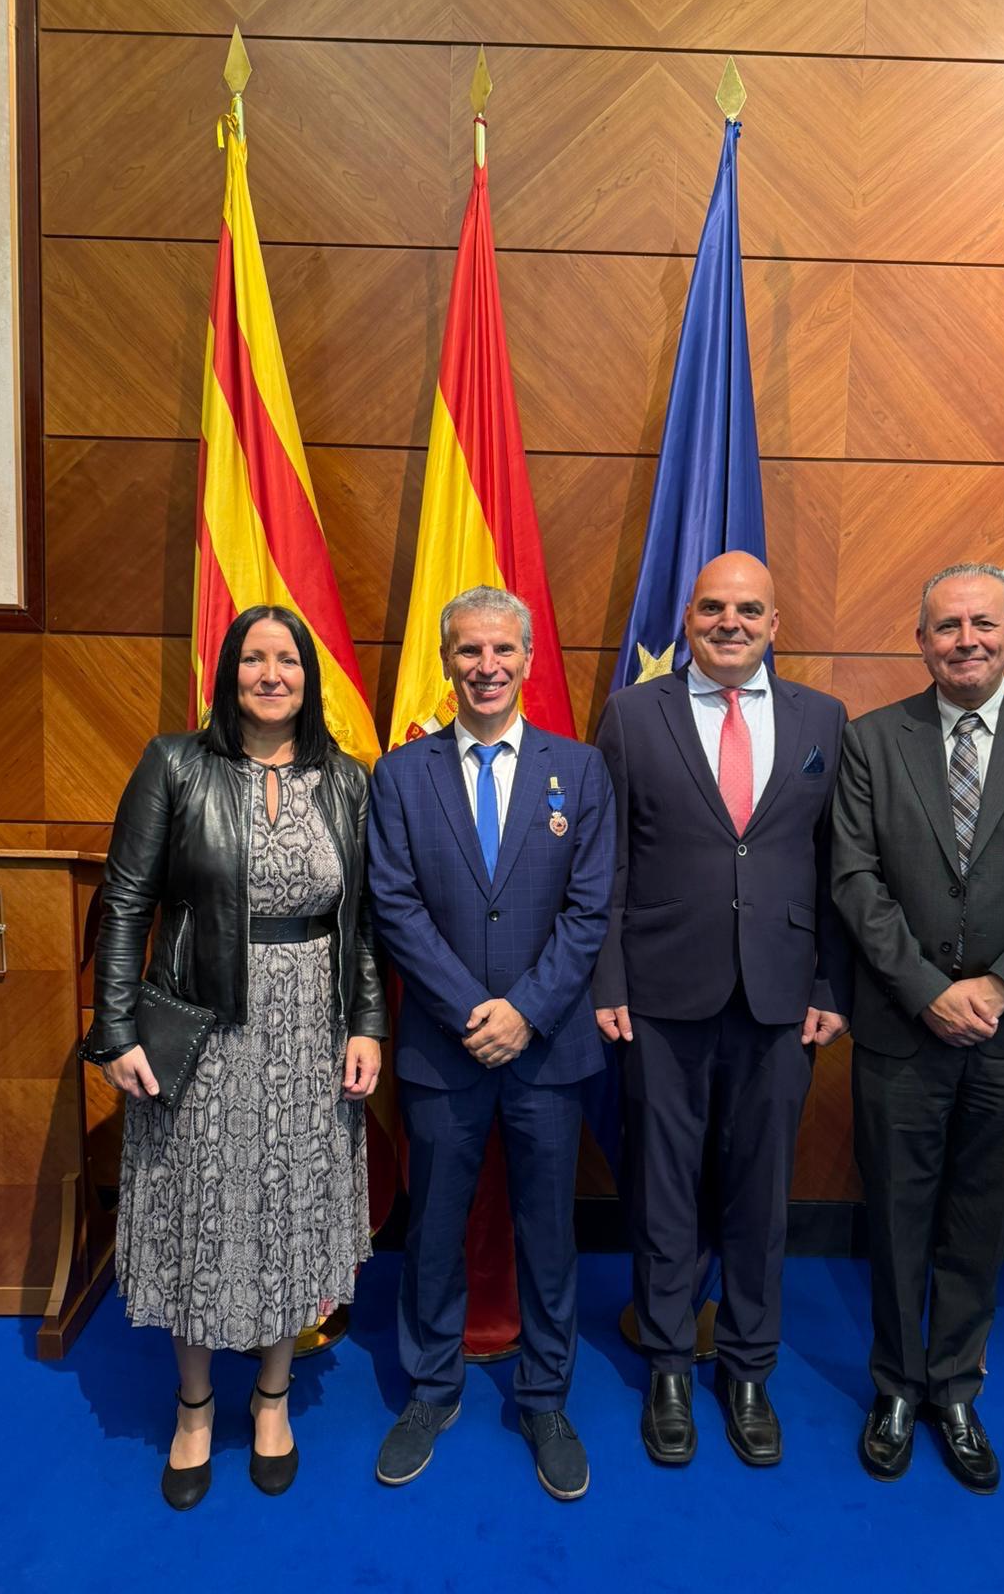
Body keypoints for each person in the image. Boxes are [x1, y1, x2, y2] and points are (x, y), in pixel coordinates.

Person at [82, 605, 386, 1510]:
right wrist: (117, 1029)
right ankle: (194, 1408)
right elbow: (127, 900)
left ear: (308, 676)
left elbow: (362, 922)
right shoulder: (175, 764)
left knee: (289, 1209)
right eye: (253, 658)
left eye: (286, 659)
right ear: (228, 672)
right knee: (199, 1211)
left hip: (312, 1029)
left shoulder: (347, 780)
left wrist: (368, 1023)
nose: (270, 674)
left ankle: (272, 1398)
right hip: (204, 1027)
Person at [832, 562, 1004, 1493]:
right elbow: (855, 881)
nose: (966, 640)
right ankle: (895, 1387)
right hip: (900, 1025)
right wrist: (926, 988)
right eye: (947, 626)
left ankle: (955, 1385)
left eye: (982, 624)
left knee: (979, 1217)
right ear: (921, 641)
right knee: (897, 1214)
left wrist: (997, 987)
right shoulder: (873, 741)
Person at [593, 551, 851, 1468]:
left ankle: (747, 1368)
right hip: (660, 994)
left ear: (777, 624)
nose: (730, 622)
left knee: (760, 1192)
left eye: (749, 609)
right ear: (688, 619)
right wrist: (608, 981)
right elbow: (610, 859)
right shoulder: (632, 714)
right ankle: (667, 1364)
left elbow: (836, 870)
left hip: (783, 998)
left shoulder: (824, 719)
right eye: (712, 608)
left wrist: (829, 987)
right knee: (662, 1186)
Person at [366, 586, 615, 1501]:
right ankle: (431, 1391)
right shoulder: (400, 775)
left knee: (548, 1233)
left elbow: (590, 910)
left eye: (501, 650)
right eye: (467, 651)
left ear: (528, 659)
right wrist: (476, 1009)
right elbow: (393, 903)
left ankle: (545, 1396)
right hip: (443, 1047)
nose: (485, 667)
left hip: (548, 1052)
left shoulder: (580, 771)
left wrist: (527, 1012)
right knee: (433, 1229)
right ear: (446, 662)